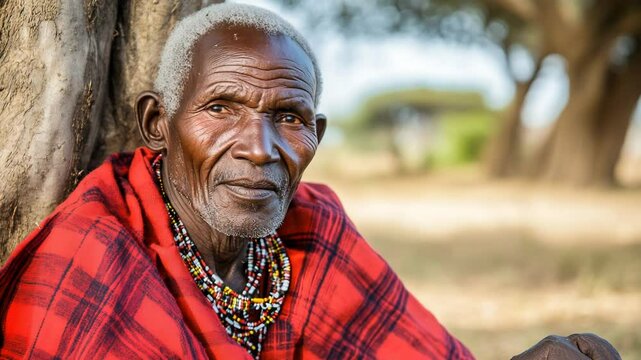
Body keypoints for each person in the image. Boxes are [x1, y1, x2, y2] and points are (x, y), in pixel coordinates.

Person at [0, 3, 621, 360]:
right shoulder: (91, 254)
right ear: (158, 123)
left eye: (288, 118)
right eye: (221, 108)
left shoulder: (312, 230)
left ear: (315, 137)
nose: (260, 148)